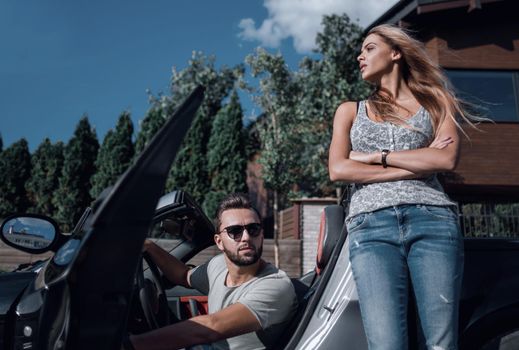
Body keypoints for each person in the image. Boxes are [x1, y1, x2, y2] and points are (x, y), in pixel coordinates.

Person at [328, 24, 474, 350]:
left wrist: (374, 157)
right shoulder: (349, 111)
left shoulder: (438, 101)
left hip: (433, 220)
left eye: (368, 48)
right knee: (386, 344)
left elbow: (446, 158)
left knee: (440, 344)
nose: (359, 56)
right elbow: (339, 169)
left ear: (395, 53)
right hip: (370, 225)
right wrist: (414, 167)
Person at [126, 193, 298, 350]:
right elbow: (184, 275)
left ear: (261, 235)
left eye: (253, 229)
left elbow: (211, 327)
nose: (246, 237)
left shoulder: (276, 285)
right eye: (235, 231)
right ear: (219, 241)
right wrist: (149, 246)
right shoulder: (218, 266)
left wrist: (132, 345)